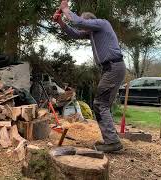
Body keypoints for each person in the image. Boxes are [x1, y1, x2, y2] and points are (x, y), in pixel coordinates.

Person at [53, 0, 125, 152]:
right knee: (103, 105)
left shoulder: (102, 24)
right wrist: (60, 21)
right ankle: (111, 140)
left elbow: (78, 23)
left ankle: (112, 142)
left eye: (86, 24)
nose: (85, 29)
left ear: (91, 21)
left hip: (113, 67)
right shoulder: (94, 33)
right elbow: (74, 33)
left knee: (100, 104)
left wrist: (65, 9)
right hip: (112, 68)